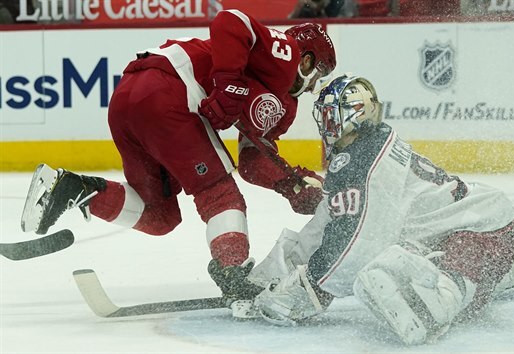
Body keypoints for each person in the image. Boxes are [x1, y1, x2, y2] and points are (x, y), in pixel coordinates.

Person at [20, 10, 336, 304]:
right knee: (219, 194)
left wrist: (290, 183)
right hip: (169, 89)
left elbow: (252, 163)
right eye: (318, 74)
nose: (313, 88)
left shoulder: (284, 106)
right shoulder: (284, 55)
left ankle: (76, 189)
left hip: (128, 99)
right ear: (306, 61)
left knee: (160, 218)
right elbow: (230, 20)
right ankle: (232, 272)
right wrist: (229, 85)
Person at [244, 75, 514, 345]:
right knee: (423, 259)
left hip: (478, 229)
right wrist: (275, 274)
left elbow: (359, 240)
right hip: (466, 226)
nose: (326, 124)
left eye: (332, 115)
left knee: (442, 273)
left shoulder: (364, 161)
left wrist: (313, 286)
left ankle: (445, 297)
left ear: (355, 114)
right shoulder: (360, 152)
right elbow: (327, 224)